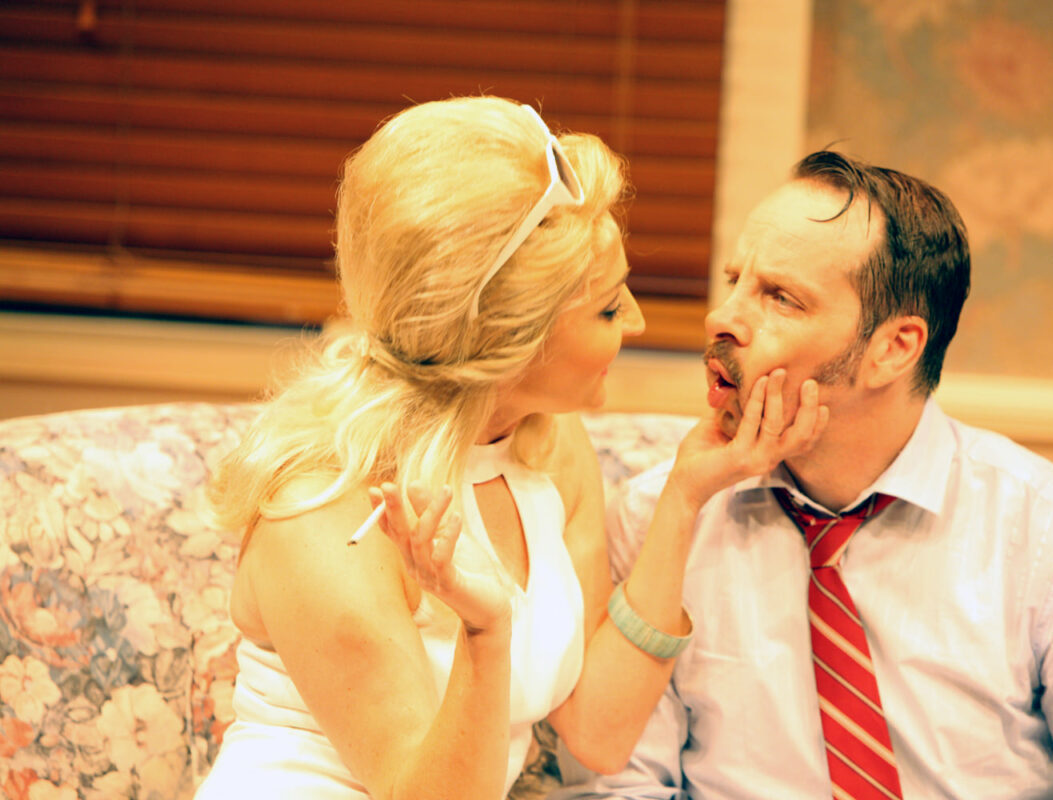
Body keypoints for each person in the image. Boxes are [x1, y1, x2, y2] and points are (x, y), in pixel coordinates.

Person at [195, 96, 824, 800]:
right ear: (510, 341)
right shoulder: (323, 510)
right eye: (610, 308)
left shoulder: (547, 445)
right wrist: (486, 632)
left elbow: (598, 732)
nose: (639, 321)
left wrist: (685, 494)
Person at [553, 151, 1053, 799]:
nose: (722, 319)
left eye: (780, 298)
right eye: (734, 281)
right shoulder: (658, 518)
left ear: (894, 348)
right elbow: (616, 786)